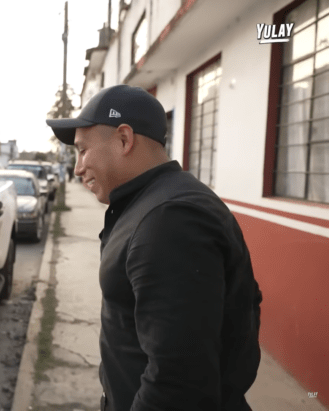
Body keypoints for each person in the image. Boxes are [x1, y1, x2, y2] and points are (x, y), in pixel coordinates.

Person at [46, 85, 262, 411]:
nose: (77, 168)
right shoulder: (153, 202)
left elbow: (178, 382)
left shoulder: (170, 220)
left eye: (82, 150)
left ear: (123, 139)